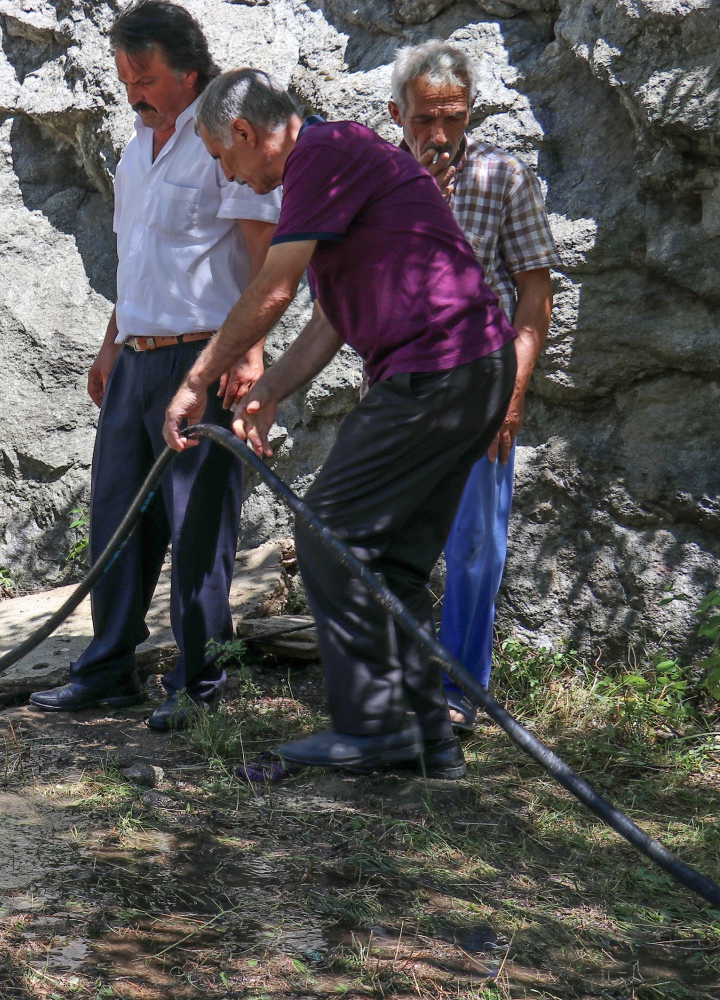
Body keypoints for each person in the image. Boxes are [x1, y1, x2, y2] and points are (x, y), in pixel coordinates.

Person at [162, 68, 516, 777]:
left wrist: (198, 380)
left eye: (219, 156)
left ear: (243, 132)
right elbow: (328, 319)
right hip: (476, 368)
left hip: (437, 369)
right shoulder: (339, 170)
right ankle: (426, 739)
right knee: (394, 563)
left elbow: (275, 288)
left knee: (328, 536)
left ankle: (371, 728)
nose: (224, 172)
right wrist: (269, 393)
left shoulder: (323, 152)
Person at [29, 0, 281, 732]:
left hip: (203, 358)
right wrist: (113, 340)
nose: (131, 91)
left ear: (188, 72)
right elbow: (137, 260)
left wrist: (251, 356)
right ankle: (107, 669)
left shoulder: (222, 138)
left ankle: (199, 682)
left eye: (145, 77)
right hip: (138, 358)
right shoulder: (135, 149)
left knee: (197, 525)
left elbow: (265, 254)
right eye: (124, 76)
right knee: (116, 517)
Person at [387, 42, 558, 734]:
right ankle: (404, 686)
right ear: (397, 113)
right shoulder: (381, 178)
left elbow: (536, 293)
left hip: (481, 383)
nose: (439, 134)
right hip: (401, 384)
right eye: (425, 118)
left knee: (477, 548)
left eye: (452, 118)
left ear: (470, 113)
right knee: (394, 540)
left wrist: (513, 395)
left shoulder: (502, 176)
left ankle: (462, 691)